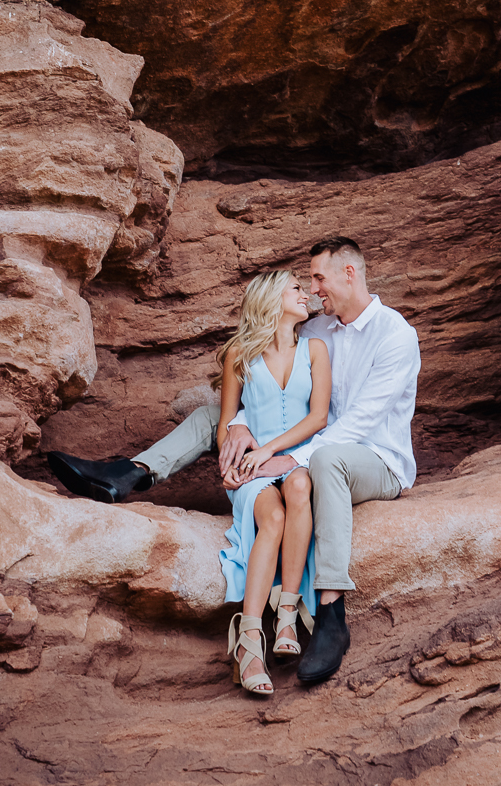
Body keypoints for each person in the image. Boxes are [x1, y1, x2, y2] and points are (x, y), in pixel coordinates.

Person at [221, 237, 421, 686]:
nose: (313, 290)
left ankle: (331, 610)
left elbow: (359, 422)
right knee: (298, 461)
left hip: (378, 460)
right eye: (307, 282)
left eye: (317, 278)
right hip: (315, 452)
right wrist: (236, 422)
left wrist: (289, 457)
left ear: (349, 273)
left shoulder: (395, 335)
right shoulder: (316, 332)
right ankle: (135, 471)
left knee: (327, 460)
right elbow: (266, 382)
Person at [215, 269, 330, 697]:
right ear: (272, 298)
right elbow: (226, 422)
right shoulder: (240, 354)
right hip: (254, 469)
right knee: (274, 517)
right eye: (298, 289)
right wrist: (235, 447)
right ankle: (249, 642)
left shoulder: (315, 350)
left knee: (300, 487)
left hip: (293, 459)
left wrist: (272, 452)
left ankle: (286, 616)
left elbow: (318, 418)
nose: (307, 295)